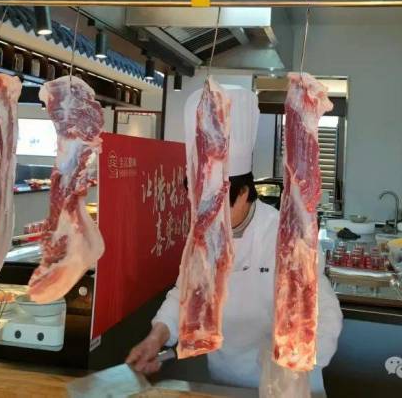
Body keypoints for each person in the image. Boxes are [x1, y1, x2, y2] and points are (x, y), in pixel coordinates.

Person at [127, 86, 343, 392]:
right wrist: (156, 337)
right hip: (225, 380)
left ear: (243, 193)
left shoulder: (284, 237)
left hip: (287, 383)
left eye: (218, 206)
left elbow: (324, 311)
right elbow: (184, 295)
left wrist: (296, 363)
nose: (209, 218)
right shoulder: (204, 234)